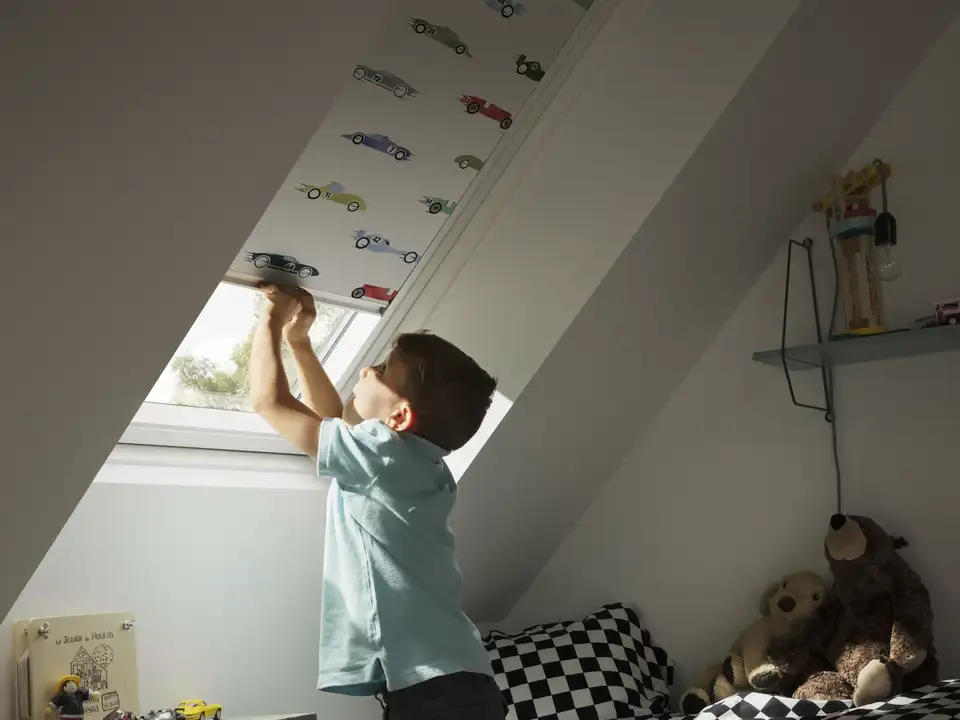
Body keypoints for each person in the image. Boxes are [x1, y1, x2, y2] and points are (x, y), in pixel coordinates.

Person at [250, 284, 505, 719]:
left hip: (436, 691)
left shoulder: (384, 456)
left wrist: (271, 319)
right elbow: (332, 421)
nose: (367, 367)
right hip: (459, 682)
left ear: (400, 418)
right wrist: (300, 343)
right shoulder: (420, 463)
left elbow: (269, 401)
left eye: (383, 370)